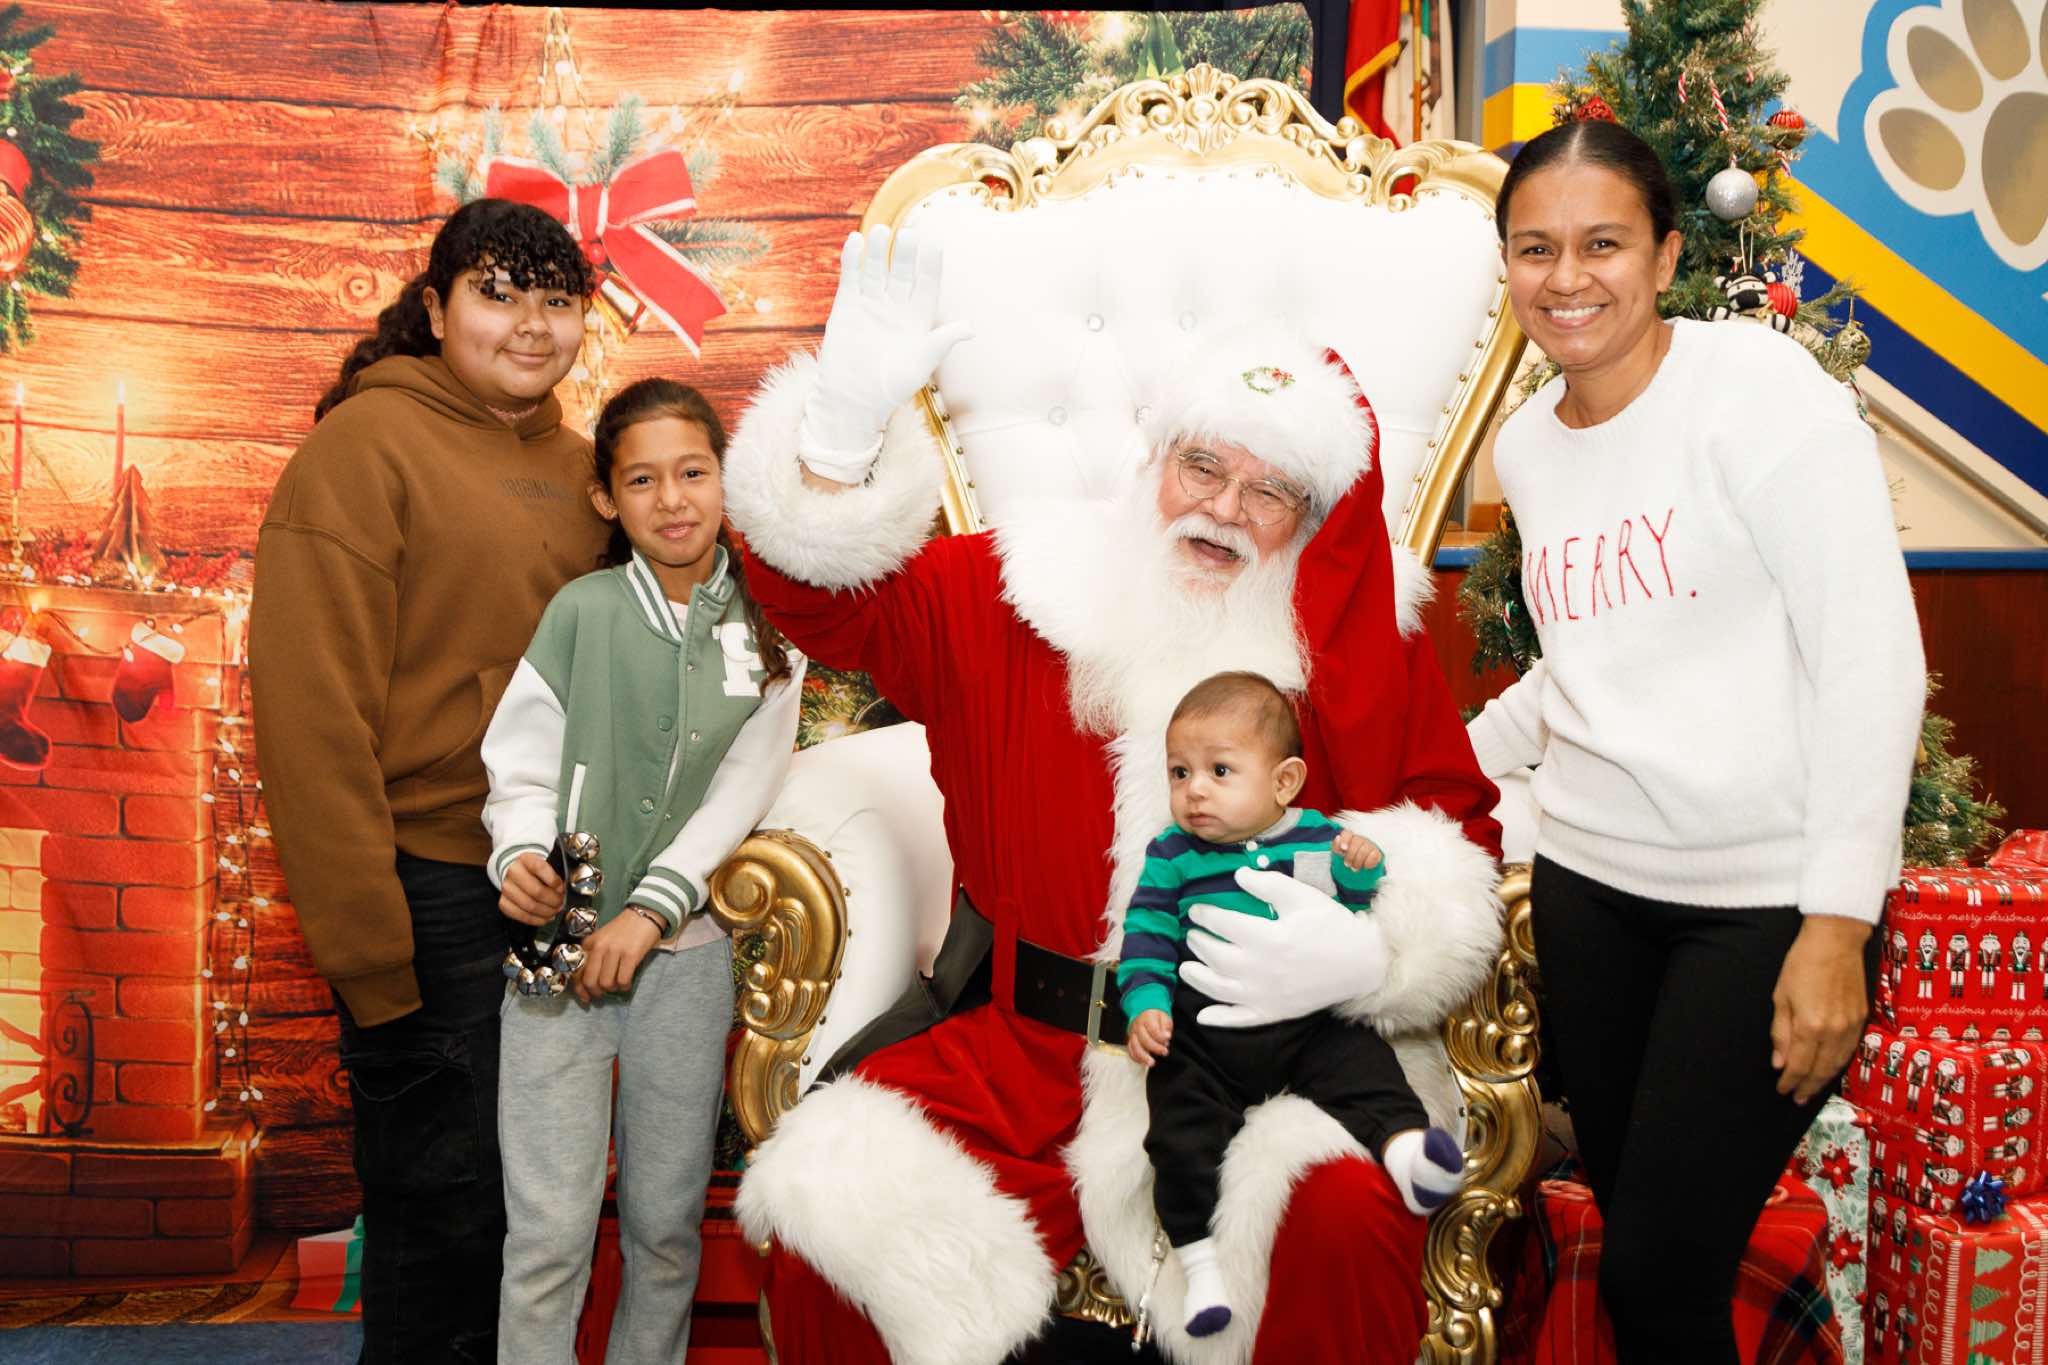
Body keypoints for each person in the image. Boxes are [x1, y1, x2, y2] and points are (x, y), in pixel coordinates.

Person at [722, 225, 1504, 1365]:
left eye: (1270, 490)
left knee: (1339, 1211)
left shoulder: (1351, 649)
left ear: (1312, 518)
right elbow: (822, 605)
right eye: (1203, 466)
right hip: (1023, 1054)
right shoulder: (1009, 589)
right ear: (1155, 455)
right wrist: (837, 438)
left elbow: (1450, 826)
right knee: (830, 1214)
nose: (1222, 508)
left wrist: (1368, 953)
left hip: (1264, 1067)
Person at [1466, 118, 1924, 1363]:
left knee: (1657, 1276)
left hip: (1760, 911)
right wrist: (1446, 760)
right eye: (1534, 248)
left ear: (1665, 256)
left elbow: (1869, 657)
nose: (1566, 277)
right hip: (1589, 896)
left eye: (1602, 244)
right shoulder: (1527, 445)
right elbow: (1584, 659)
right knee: (1650, 1270)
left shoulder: (1758, 394)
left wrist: (1837, 924)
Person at [250, 199, 605, 1363]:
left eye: (556, 300)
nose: (530, 324)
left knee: (538, 1219)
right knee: (443, 1221)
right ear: (437, 308)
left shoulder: (589, 473)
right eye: (497, 294)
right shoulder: (362, 451)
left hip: (563, 890)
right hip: (430, 895)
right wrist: (372, 959)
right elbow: (313, 725)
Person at [481, 377, 804, 1364]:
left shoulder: (768, 632)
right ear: (606, 498)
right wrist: (521, 856)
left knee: (665, 1229)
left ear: (725, 480)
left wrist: (654, 911)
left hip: (685, 962)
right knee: (547, 1236)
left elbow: (741, 791)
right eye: (642, 480)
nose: (672, 500)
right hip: (557, 955)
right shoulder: (580, 613)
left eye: (693, 473)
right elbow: (522, 761)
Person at [1119, 670, 1465, 1338]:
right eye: (1180, 772)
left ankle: (1406, 1152)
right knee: (1177, 1127)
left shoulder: (1314, 838)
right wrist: (1146, 1003)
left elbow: (1349, 907)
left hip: (1305, 1027)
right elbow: (1147, 934)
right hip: (1205, 1036)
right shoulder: (1172, 855)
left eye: (1220, 770)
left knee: (1364, 1063)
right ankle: (1201, 1267)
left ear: (1284, 782)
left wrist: (1360, 870)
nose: (1194, 790)